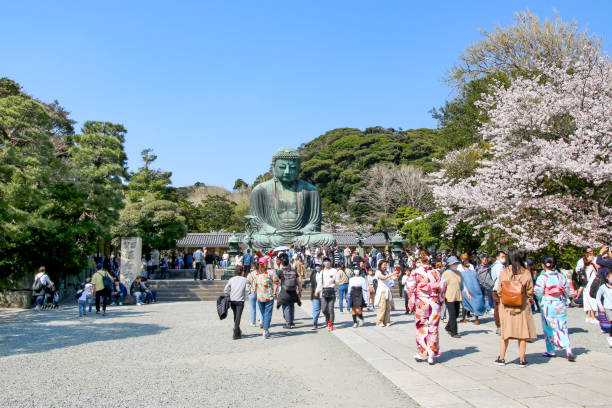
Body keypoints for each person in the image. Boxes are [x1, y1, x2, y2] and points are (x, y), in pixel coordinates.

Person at [495, 250, 536, 368]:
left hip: (506, 306)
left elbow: (499, 290)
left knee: (505, 333)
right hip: (521, 305)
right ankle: (522, 359)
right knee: (522, 334)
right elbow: (530, 290)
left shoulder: (504, 272)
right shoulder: (526, 273)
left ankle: (502, 358)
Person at [405, 250, 446, 365]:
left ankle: (422, 352)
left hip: (421, 302)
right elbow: (442, 287)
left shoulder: (416, 272)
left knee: (421, 327)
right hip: (434, 302)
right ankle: (431, 354)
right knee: (433, 327)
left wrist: (412, 299)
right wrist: (440, 298)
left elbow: (410, 287)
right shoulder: (436, 273)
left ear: (420, 259)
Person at [534, 255, 575, 361]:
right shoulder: (561, 277)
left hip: (548, 303)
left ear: (543, 265)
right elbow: (566, 289)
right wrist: (564, 299)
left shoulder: (543, 277)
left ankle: (551, 349)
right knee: (562, 326)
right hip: (559, 302)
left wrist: (541, 299)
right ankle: (568, 348)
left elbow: (538, 291)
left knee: (548, 327)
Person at [255, 256, 279, 339]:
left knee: (264, 313)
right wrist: (275, 292)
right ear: (266, 263)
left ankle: (266, 330)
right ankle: (265, 330)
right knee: (266, 314)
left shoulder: (257, 274)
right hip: (268, 296)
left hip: (260, 297)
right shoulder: (270, 273)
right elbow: (276, 282)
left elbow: (254, 285)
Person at [276, 254, 302, 329]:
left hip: (284, 291)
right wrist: (299, 291)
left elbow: (276, 281)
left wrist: (274, 291)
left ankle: (288, 323)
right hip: (293, 290)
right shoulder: (294, 271)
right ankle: (291, 321)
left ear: (281, 263)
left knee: (285, 306)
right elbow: (298, 282)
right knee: (291, 306)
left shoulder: (280, 272)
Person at [442, 256, 465, 338]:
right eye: (453, 263)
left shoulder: (459, 273)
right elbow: (442, 286)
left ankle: (448, 327)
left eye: (456, 263)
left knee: (456, 314)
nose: (455, 265)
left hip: (457, 295)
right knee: (452, 314)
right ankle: (454, 331)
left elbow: (462, 285)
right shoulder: (446, 273)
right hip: (449, 296)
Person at [224, 265, 248, 339]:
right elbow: (247, 289)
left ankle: (238, 330)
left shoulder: (231, 279)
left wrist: (227, 295)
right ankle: (235, 332)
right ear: (242, 272)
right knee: (238, 316)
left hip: (232, 300)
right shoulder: (245, 280)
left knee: (235, 315)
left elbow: (225, 289)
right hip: (240, 300)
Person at [459, 260, 486, 325]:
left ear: (462, 266)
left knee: (464, 304)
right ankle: (476, 319)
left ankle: (464, 318)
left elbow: (462, 283)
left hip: (466, 290)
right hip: (475, 289)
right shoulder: (474, 272)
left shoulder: (462, 273)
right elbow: (479, 280)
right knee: (475, 303)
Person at [316, 257, 338, 331]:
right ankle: (328, 319)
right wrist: (317, 291)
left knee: (331, 308)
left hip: (332, 290)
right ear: (323, 263)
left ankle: (331, 323)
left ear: (330, 262)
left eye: (328, 261)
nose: (327, 263)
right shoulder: (322, 272)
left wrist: (334, 282)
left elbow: (338, 281)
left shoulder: (334, 271)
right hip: (324, 290)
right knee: (324, 309)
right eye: (325, 261)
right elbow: (320, 283)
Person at [375, 260, 397, 327]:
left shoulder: (387, 272)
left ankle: (387, 321)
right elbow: (383, 278)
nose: (385, 266)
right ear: (380, 265)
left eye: (386, 265)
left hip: (387, 290)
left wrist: (396, 275)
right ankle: (380, 321)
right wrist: (392, 274)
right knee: (382, 307)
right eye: (384, 265)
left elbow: (394, 278)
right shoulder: (378, 272)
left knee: (388, 307)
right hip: (382, 291)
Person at [490, 251, 507, 335]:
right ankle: (499, 326)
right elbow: (501, 278)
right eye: (502, 256)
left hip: (497, 289)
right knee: (498, 308)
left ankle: (500, 326)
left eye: (504, 256)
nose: (504, 258)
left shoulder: (497, 265)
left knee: (498, 307)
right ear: (497, 257)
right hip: (498, 289)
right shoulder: (499, 266)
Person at [580, 251, 599, 323]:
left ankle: (588, 317)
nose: (592, 257)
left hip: (586, 285)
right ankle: (593, 318)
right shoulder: (592, 265)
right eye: (589, 256)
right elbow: (596, 274)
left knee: (588, 300)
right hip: (591, 284)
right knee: (592, 300)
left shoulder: (585, 266)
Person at [596, 269, 612, 347]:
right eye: (610, 277)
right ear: (607, 277)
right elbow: (598, 297)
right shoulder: (603, 287)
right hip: (608, 307)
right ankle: (610, 337)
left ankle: (610, 336)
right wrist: (600, 306)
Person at [310, 265, 322, 330]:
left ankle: (329, 322)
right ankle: (315, 323)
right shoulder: (314, 274)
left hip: (324, 293)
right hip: (316, 294)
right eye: (316, 266)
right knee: (316, 309)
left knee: (326, 309)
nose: (317, 267)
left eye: (319, 266)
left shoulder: (324, 274)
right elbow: (312, 285)